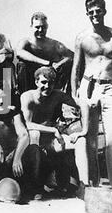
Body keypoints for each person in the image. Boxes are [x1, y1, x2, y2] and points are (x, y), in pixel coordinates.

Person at [71, 0, 112, 198]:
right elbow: (76, 67)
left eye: (98, 11)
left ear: (104, 12)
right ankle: (90, 184)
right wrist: (75, 94)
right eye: (91, 13)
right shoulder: (82, 38)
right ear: (87, 14)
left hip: (109, 89)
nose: (94, 16)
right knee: (89, 138)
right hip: (88, 87)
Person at [21, 67, 83, 199]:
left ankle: (69, 183)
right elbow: (27, 124)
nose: (47, 86)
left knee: (70, 141)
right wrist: (53, 130)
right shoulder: (28, 97)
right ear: (36, 82)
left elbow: (79, 105)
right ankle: (35, 187)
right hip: (32, 138)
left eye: (51, 83)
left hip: (50, 136)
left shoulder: (57, 95)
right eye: (43, 82)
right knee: (35, 134)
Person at [16, 12, 73, 94]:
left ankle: (67, 96)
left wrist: (59, 64)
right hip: (30, 81)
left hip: (49, 79)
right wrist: (47, 63)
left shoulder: (54, 44)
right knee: (22, 65)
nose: (40, 30)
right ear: (31, 27)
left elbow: (72, 55)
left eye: (43, 27)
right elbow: (19, 53)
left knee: (70, 64)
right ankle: (24, 99)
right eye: (37, 27)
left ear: (47, 27)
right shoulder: (26, 42)